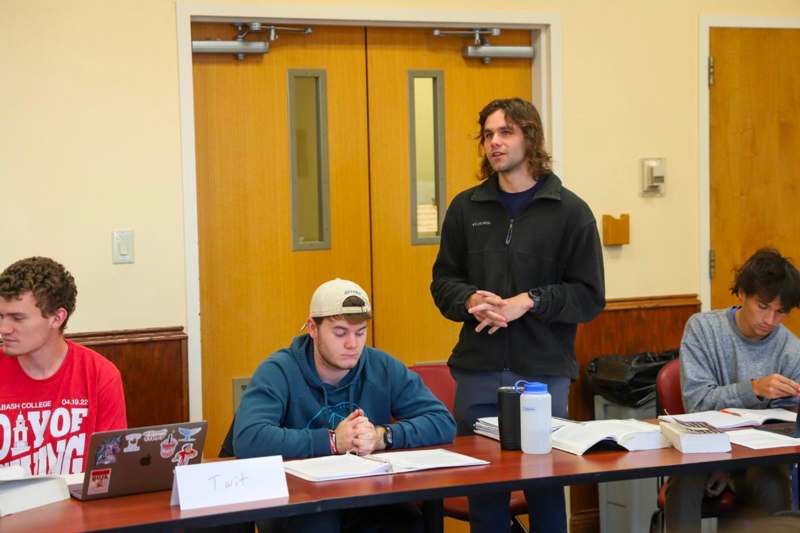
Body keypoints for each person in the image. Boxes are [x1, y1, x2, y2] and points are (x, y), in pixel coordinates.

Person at [430, 97, 605, 533]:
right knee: (485, 493)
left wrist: (529, 300)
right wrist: (470, 301)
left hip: (543, 372)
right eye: (488, 134)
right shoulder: (466, 208)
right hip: (478, 371)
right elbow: (442, 283)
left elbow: (589, 296)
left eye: (505, 132)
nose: (494, 143)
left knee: (546, 490)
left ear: (530, 137)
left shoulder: (570, 211)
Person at [234, 278, 456, 533]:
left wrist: (383, 436)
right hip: (301, 501)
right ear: (312, 328)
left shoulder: (381, 366)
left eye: (360, 332)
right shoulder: (279, 370)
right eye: (340, 333)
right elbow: (248, 437)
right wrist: (332, 441)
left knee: (407, 523)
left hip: (369, 497)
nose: (352, 344)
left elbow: (442, 422)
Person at [666, 248, 800, 532]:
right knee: (685, 482)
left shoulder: (790, 347)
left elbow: (792, 418)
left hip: (760, 455)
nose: (770, 321)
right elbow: (697, 402)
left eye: (780, 312)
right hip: (704, 448)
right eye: (763, 307)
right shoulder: (703, 329)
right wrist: (754, 389)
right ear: (741, 293)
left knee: (773, 484)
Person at [0, 257, 127, 475]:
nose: (4, 328)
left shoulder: (100, 374)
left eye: (17, 318)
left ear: (57, 317)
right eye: (1, 316)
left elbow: (110, 466)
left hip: (79, 506)